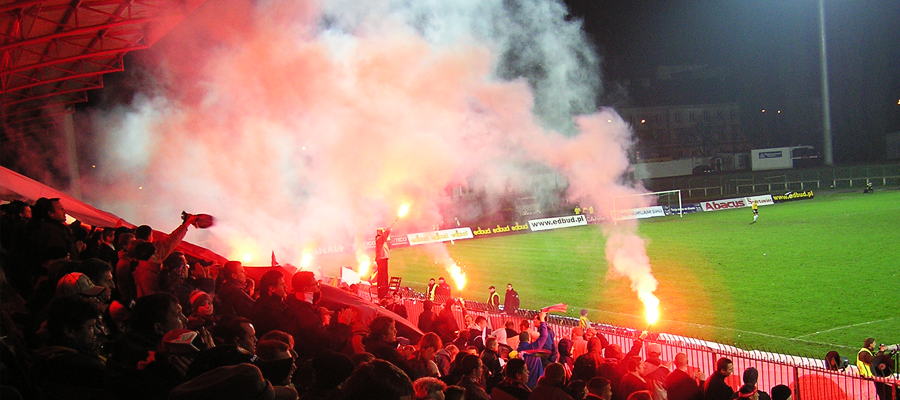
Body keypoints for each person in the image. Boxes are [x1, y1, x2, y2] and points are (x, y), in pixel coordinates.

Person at [30, 296, 108, 400]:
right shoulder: (83, 367)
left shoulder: (50, 354)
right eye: (90, 327)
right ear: (69, 331)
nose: (97, 331)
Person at [251, 270, 290, 337]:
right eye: (282, 284)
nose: (286, 287)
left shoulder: (260, 303)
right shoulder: (275, 309)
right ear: (272, 289)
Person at [375, 227, 391, 299]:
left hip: (383, 259)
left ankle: (384, 292)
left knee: (384, 277)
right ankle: (382, 293)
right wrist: (389, 229)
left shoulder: (381, 241)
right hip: (382, 260)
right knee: (382, 277)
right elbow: (385, 236)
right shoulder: (379, 239)